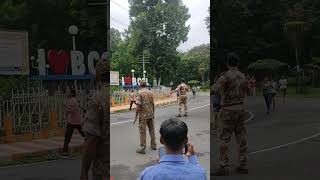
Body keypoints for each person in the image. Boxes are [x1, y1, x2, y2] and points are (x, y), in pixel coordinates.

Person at [212, 52, 249, 176]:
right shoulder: (243, 76)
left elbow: (214, 90)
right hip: (240, 109)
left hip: (228, 110)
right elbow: (249, 91)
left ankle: (223, 165)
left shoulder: (225, 76)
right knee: (241, 137)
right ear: (237, 63)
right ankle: (242, 164)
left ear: (227, 63)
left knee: (224, 138)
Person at [140, 118, 207, 180]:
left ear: (161, 140)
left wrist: (159, 166)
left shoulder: (148, 174)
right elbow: (199, 172)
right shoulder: (199, 174)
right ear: (186, 140)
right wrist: (192, 157)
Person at [80, 60, 108, 180]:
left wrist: (84, 172)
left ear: (97, 76)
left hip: (104, 169)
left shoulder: (97, 99)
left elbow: (91, 140)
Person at [135, 80, 157, 154]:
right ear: (146, 85)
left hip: (143, 115)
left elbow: (138, 106)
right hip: (150, 114)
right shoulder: (150, 92)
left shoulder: (140, 92)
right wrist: (153, 113)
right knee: (152, 129)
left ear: (140, 85)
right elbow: (153, 104)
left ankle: (142, 148)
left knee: (142, 131)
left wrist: (136, 116)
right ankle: (154, 145)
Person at [62, 89, 85, 156]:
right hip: (77, 121)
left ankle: (65, 152)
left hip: (73, 122)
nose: (66, 93)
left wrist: (65, 106)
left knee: (67, 137)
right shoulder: (73, 100)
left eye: (68, 92)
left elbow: (71, 110)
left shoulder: (72, 100)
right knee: (84, 135)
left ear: (71, 94)